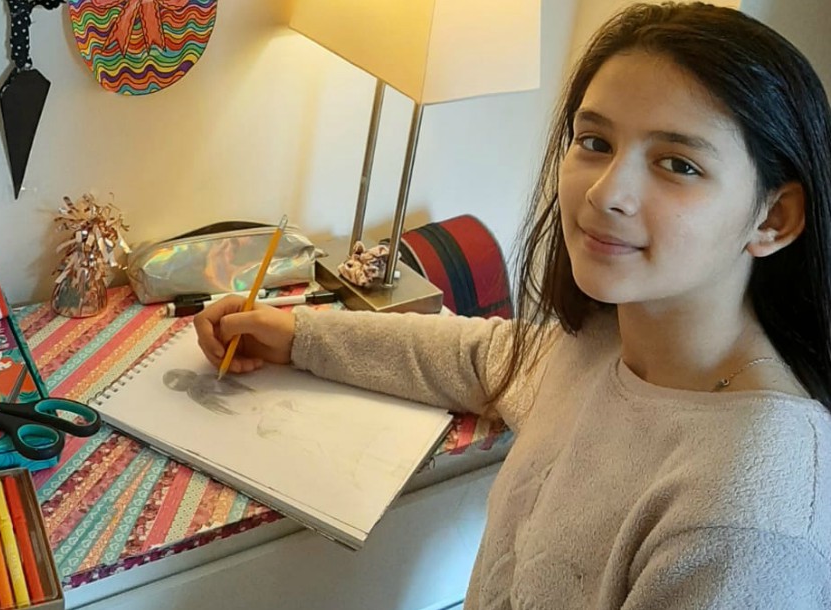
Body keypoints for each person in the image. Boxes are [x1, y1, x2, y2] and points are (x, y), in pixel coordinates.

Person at [193, 2, 831, 607]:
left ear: (773, 218)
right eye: (595, 142)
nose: (606, 193)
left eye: (678, 164)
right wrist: (298, 335)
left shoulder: (750, 524)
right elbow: (486, 357)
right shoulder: (602, 346)